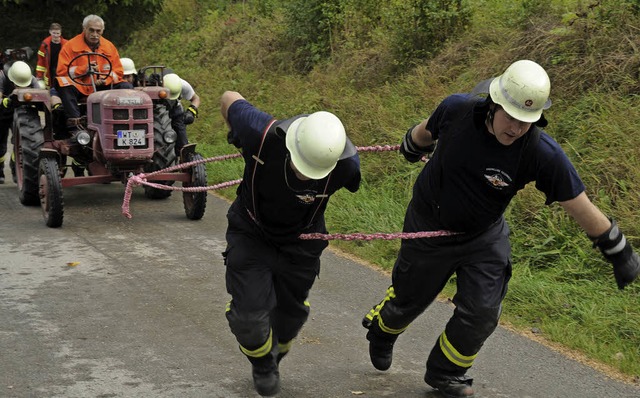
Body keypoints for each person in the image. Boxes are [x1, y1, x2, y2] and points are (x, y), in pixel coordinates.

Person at [362, 59, 639, 398]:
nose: (516, 128)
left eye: (526, 121)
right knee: (408, 300)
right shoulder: (457, 109)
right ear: (493, 103)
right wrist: (413, 144)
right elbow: (426, 130)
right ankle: (383, 329)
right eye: (510, 117)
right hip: (429, 225)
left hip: (483, 235)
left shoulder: (540, 151)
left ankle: (446, 373)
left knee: (482, 312)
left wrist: (617, 249)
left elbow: (578, 204)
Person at [220, 90, 361, 396]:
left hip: (303, 243)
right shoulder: (259, 132)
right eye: (300, 165)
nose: (304, 176)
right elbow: (229, 98)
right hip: (251, 232)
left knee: (290, 317)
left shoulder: (346, 166)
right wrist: (234, 132)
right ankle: (262, 364)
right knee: (249, 319)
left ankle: (275, 354)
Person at [55, 15, 132, 131]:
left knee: (126, 87)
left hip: (102, 86)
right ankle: (76, 125)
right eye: (91, 30)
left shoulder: (109, 47)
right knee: (63, 84)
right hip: (80, 87)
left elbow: (118, 72)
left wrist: (105, 80)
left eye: (98, 31)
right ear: (84, 28)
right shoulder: (70, 47)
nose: (95, 34)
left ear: (102, 31)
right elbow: (61, 71)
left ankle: (125, 123)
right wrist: (83, 70)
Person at [0, 61, 40, 184]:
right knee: (0, 143)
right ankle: (0, 171)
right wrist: (5, 101)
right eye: (18, 85)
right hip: (2, 112)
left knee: (20, 142)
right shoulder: (2, 76)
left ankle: (15, 167)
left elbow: (40, 95)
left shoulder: (31, 79)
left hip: (20, 113)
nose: (21, 88)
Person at [35, 22, 68, 90]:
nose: (56, 35)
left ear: (61, 33)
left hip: (62, 70)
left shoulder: (66, 44)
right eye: (54, 33)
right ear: (50, 32)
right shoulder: (44, 45)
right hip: (49, 70)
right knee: (50, 88)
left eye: (57, 33)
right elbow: (40, 62)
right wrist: (39, 76)